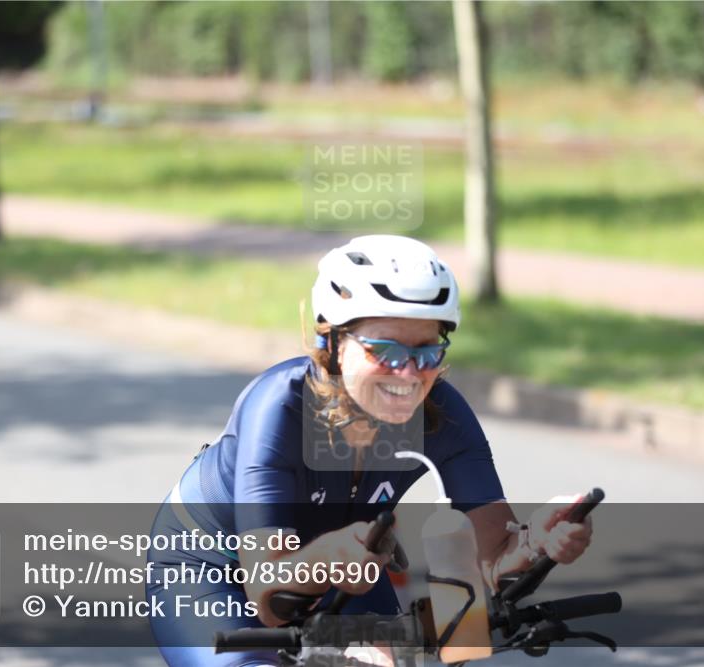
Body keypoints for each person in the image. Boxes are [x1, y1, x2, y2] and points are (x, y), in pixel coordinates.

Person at [147, 235, 593, 667]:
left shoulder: (442, 412)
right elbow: (270, 595)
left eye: (427, 352)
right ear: (334, 343)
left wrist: (536, 543)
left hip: (347, 560)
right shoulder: (280, 407)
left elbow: (493, 559)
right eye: (385, 350)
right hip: (208, 562)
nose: (409, 373)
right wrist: (329, 557)